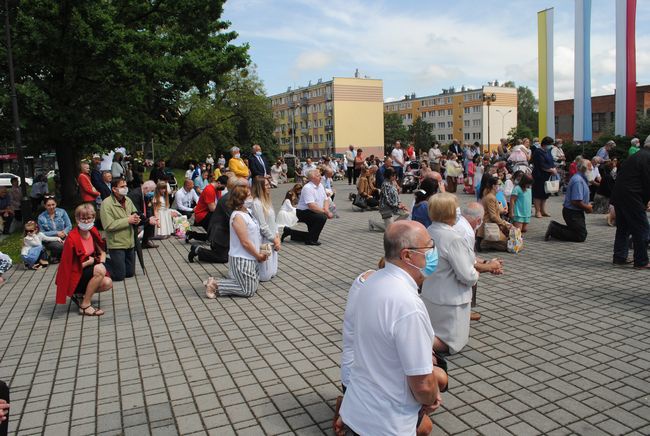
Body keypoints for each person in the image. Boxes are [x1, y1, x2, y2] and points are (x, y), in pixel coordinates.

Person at [337, 221, 442, 435]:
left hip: (359, 410)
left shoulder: (371, 283)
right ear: (407, 255)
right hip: (388, 423)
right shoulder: (408, 305)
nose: (434, 253)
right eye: (429, 248)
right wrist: (431, 397)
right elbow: (422, 384)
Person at [421, 193, 479, 354]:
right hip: (451, 299)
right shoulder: (454, 238)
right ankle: (416, 341)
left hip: (431, 293)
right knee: (451, 342)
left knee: (434, 330)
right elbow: (466, 275)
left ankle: (420, 339)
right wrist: (476, 274)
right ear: (450, 212)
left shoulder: (428, 231)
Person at [203, 185, 269, 298]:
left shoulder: (248, 212)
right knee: (248, 291)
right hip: (242, 257)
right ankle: (215, 284)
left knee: (252, 287)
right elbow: (245, 242)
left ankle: (219, 283)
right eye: (248, 196)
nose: (251, 197)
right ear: (240, 199)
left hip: (251, 256)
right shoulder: (237, 216)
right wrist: (258, 255)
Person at [55, 203, 112, 316]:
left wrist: (101, 261)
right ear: (77, 219)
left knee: (107, 283)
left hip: (89, 270)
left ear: (93, 218)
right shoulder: (71, 238)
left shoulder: (93, 231)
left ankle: (81, 295)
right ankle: (85, 305)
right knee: (100, 270)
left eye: (89, 218)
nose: (86, 221)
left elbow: (102, 252)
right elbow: (67, 267)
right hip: (76, 274)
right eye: (83, 218)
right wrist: (89, 263)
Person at [611, 136, 650, 268]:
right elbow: (647, 182)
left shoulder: (637, 155)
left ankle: (619, 257)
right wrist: (645, 202)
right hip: (632, 196)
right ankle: (641, 261)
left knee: (623, 228)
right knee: (642, 228)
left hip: (619, 195)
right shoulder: (647, 157)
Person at [189, 176, 247, 264]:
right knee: (223, 258)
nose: (246, 189)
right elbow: (231, 218)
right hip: (218, 233)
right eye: (244, 187)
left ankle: (195, 241)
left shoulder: (232, 196)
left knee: (226, 255)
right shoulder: (227, 199)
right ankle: (198, 250)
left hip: (222, 231)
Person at [100, 177, 140, 281]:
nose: (125, 188)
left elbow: (134, 213)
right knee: (119, 276)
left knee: (130, 273)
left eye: (126, 186)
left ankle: (116, 264)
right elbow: (108, 225)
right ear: (114, 189)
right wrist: (128, 220)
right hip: (116, 244)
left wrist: (136, 218)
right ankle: (101, 263)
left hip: (130, 242)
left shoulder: (128, 200)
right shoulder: (106, 203)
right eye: (122, 186)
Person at [545, 159, 593, 243]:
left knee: (580, 232)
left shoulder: (581, 178)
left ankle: (554, 227)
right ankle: (554, 229)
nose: (591, 169)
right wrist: (587, 207)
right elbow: (575, 201)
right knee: (580, 236)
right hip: (572, 212)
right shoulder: (578, 180)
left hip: (575, 211)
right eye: (590, 167)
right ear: (584, 168)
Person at [282, 169, 332, 245]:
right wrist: (325, 212)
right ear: (312, 178)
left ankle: (290, 232)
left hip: (314, 211)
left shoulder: (320, 185)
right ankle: (310, 240)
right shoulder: (307, 188)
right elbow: (311, 206)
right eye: (318, 176)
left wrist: (326, 209)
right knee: (321, 218)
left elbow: (326, 199)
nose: (321, 177)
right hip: (303, 212)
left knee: (312, 233)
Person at [250, 176, 281, 281]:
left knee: (273, 273)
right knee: (265, 277)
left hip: (272, 239)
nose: (270, 187)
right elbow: (263, 226)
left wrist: (277, 235)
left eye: (269, 184)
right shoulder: (257, 203)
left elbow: (273, 221)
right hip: (264, 241)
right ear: (260, 188)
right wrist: (274, 239)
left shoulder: (267, 200)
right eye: (267, 185)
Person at [477, 176, 512, 251]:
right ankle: (486, 242)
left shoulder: (491, 196)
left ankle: (487, 242)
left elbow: (494, 211)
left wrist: (501, 211)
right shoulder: (490, 197)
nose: (500, 186)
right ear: (493, 186)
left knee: (508, 242)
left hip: (491, 223)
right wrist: (504, 223)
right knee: (507, 245)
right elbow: (493, 216)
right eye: (499, 184)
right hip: (489, 225)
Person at [369, 167, 409, 232]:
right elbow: (388, 199)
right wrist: (398, 205)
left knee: (406, 213)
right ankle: (372, 223)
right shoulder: (385, 185)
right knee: (389, 229)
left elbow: (396, 196)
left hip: (394, 207)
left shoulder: (392, 183)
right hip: (386, 208)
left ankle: (393, 225)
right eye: (393, 175)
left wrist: (401, 204)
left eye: (395, 175)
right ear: (389, 176)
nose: (395, 177)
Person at [37, 196, 72, 262]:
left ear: (56, 204)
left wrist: (64, 232)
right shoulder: (41, 217)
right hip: (50, 239)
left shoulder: (62, 212)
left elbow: (69, 226)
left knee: (72, 244)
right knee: (60, 246)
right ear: (45, 206)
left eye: (53, 204)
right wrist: (56, 233)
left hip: (64, 236)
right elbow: (42, 233)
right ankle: (57, 256)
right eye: (48, 205)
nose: (51, 207)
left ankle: (57, 256)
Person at [128, 180, 159, 249]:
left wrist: (151, 217)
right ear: (146, 188)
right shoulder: (135, 194)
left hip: (140, 214)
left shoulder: (145, 193)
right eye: (152, 191)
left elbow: (148, 207)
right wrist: (147, 220)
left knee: (151, 221)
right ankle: (134, 244)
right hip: (132, 216)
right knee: (148, 221)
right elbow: (136, 211)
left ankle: (145, 242)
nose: (152, 193)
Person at [531, 136, 557, 218]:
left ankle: (543, 210)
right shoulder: (538, 152)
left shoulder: (548, 151)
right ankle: (537, 211)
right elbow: (541, 164)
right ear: (545, 144)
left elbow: (551, 161)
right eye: (550, 144)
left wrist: (554, 169)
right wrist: (551, 170)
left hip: (547, 175)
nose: (551, 146)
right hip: (539, 176)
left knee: (545, 194)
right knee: (538, 194)